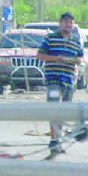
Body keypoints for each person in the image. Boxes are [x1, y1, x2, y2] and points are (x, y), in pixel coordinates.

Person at [36, 12, 84, 154]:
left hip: (68, 81)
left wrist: (74, 60)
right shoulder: (51, 38)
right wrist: (55, 58)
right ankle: (54, 140)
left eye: (71, 22)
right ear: (60, 24)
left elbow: (80, 58)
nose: (68, 25)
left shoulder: (76, 41)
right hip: (53, 80)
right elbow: (40, 55)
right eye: (65, 22)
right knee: (54, 108)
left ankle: (59, 140)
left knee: (64, 110)